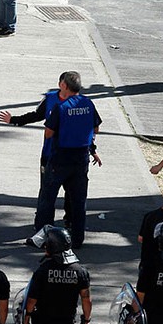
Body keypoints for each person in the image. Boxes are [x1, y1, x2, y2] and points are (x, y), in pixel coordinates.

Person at [0, 72, 102, 228]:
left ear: (62, 84)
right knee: (50, 192)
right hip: (51, 156)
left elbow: (88, 129)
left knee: (69, 194)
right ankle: (49, 226)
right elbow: (36, 115)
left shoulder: (79, 104)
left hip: (65, 156)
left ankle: (64, 222)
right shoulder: (51, 99)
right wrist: (14, 120)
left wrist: (92, 149)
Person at [36, 71, 101, 248]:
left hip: (60, 158)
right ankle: (77, 238)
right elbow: (96, 128)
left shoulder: (61, 107)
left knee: (47, 198)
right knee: (78, 201)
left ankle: (44, 236)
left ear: (64, 85)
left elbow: (49, 132)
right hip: (81, 159)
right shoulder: (88, 104)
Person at [23, 226, 91, 324]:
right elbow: (86, 299)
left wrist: (27, 318)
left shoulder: (43, 270)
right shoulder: (80, 272)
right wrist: (86, 321)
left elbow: (32, 299)